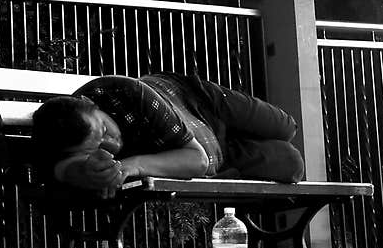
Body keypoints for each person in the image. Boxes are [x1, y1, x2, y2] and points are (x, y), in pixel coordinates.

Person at [31, 72, 305, 196]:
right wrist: (89, 172)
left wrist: (131, 165)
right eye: (98, 147)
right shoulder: (65, 146)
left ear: (96, 106)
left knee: (285, 128)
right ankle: (238, 150)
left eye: (104, 128)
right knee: (291, 162)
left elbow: (196, 160)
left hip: (199, 102)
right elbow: (59, 168)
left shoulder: (126, 93)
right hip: (215, 152)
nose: (112, 143)